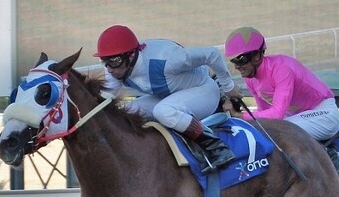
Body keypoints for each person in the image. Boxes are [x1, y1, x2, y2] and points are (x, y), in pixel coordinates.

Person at [94, 24, 241, 172]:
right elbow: (103, 103)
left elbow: (212, 54)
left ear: (131, 55)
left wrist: (228, 87)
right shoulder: (115, 68)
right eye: (104, 61)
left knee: (163, 111)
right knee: (126, 111)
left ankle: (216, 147)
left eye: (113, 61)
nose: (109, 69)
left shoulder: (168, 59)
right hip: (168, 96)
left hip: (204, 92)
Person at [223, 26, 339, 172]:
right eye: (234, 61)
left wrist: (241, 116)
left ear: (257, 56)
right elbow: (265, 116)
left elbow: (276, 115)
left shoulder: (282, 68)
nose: (237, 67)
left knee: (281, 131)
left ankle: (331, 156)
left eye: (241, 60)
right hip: (297, 116)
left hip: (324, 113)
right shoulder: (251, 79)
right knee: (264, 130)